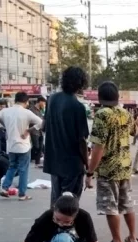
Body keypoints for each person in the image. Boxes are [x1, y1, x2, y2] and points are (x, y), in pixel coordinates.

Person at [85, 82, 138, 242]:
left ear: (100, 97)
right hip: (124, 166)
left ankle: (117, 241)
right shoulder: (125, 113)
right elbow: (135, 132)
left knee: (111, 206)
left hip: (108, 168)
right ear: (117, 97)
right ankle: (132, 236)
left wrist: (90, 172)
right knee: (127, 203)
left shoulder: (102, 115)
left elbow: (98, 147)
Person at [43, 67, 90, 205]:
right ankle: (65, 226)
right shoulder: (78, 107)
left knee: (56, 200)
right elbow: (81, 140)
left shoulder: (52, 99)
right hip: (72, 164)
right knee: (69, 204)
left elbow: (44, 126)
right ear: (80, 84)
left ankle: (53, 225)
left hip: (54, 160)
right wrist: (87, 165)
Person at [0, 91, 43, 201]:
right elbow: (41, 122)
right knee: (23, 169)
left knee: (12, 166)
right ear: (26, 101)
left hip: (11, 146)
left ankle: (5, 188)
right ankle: (22, 194)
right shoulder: (27, 112)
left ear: (15, 100)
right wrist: (29, 130)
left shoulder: (5, 111)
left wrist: (0, 126)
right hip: (23, 146)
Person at [29, 96, 46, 167]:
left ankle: (37, 162)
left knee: (40, 146)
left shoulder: (41, 110)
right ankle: (30, 156)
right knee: (36, 146)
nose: (44, 104)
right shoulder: (31, 110)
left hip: (40, 131)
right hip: (34, 131)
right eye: (44, 103)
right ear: (40, 102)